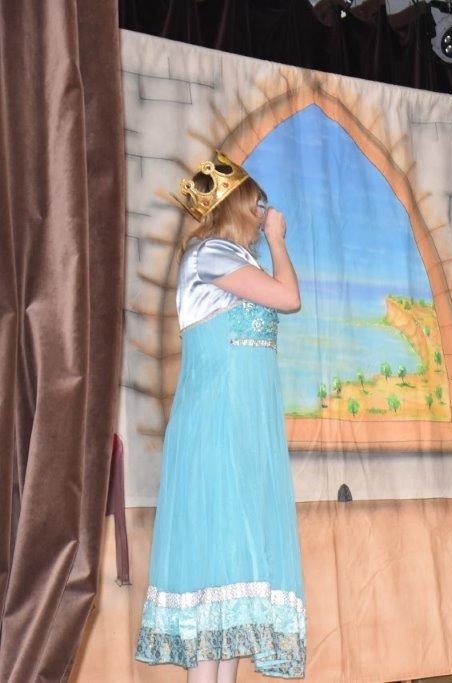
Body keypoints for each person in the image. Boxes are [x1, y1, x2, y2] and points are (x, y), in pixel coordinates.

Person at [135, 151, 306, 681]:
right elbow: (288, 298)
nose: (264, 212)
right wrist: (278, 239)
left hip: (245, 431)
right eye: (258, 203)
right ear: (237, 205)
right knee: (217, 567)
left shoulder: (234, 258)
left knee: (233, 588)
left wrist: (269, 242)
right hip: (218, 427)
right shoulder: (209, 253)